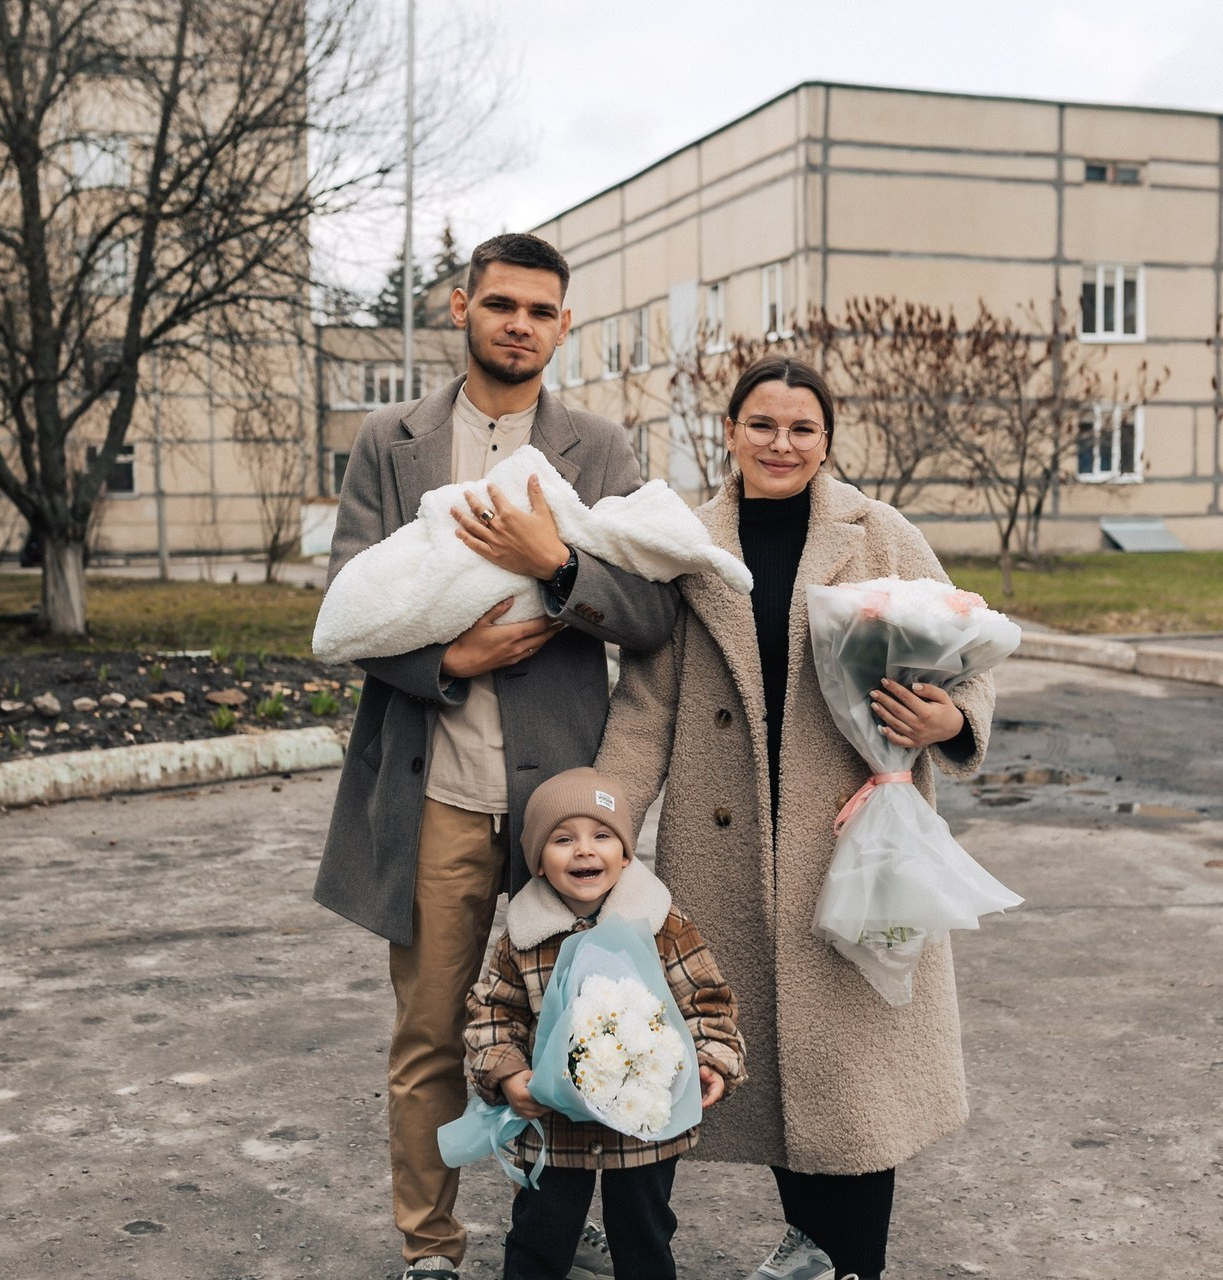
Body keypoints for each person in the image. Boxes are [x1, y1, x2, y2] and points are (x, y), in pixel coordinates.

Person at [313, 232, 678, 1280]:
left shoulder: (600, 450)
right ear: (462, 306)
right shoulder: (391, 442)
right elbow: (347, 610)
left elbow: (651, 613)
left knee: (574, 1012)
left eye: (540, 310)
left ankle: (557, 1207)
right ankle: (430, 1244)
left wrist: (556, 565)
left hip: (555, 804)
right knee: (433, 1034)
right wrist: (451, 655)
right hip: (428, 792)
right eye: (500, 303)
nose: (519, 323)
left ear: (565, 325)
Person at [594, 357, 995, 1280]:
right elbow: (648, 703)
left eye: (802, 428)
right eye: (762, 424)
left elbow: (969, 653)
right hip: (724, 845)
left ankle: (850, 1256)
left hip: (854, 840)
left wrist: (953, 719)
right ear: (729, 430)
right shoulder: (686, 544)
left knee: (852, 1066)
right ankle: (813, 1243)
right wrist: (605, 819)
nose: (781, 444)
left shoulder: (880, 532)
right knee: (767, 1056)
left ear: (827, 438)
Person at [463, 767, 746, 1280]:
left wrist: (713, 1061)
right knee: (539, 1237)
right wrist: (506, 1074)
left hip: (645, 1128)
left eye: (602, 836)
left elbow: (708, 1002)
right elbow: (492, 1013)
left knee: (644, 1235)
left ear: (625, 852)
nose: (584, 851)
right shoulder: (523, 937)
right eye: (563, 839)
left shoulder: (661, 925)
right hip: (552, 1124)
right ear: (539, 863)